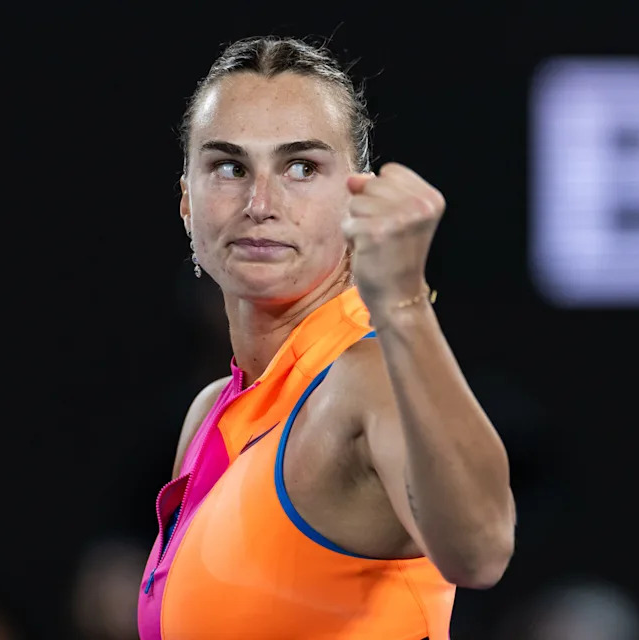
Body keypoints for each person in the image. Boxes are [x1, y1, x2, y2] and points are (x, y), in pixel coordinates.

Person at [137, 35, 516, 639]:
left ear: (355, 197)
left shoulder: (364, 379)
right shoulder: (210, 411)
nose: (260, 203)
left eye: (301, 167)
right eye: (229, 167)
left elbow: (482, 550)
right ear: (187, 202)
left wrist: (404, 307)